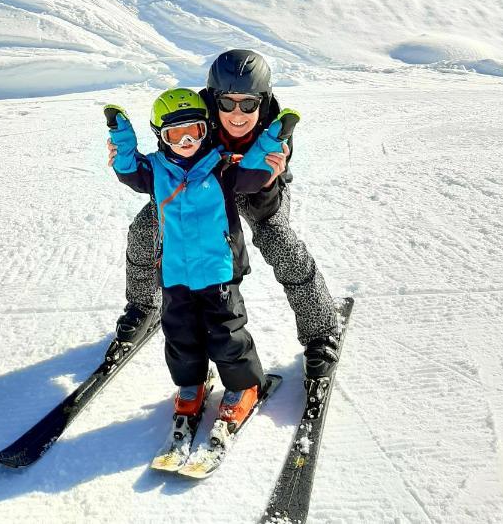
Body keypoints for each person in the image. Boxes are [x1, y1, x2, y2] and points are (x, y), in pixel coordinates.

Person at [107, 49, 340, 380]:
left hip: (259, 189)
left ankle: (321, 332)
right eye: (227, 103)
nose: (237, 113)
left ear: (263, 99)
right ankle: (144, 305)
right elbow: (170, 145)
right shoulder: (198, 112)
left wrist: (269, 174)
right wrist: (124, 155)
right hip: (203, 189)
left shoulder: (276, 125)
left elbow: (266, 179)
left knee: (280, 242)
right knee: (146, 229)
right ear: (214, 99)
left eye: (248, 104)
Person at [105, 88, 298, 424]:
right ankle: (191, 384)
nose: (185, 142)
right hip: (175, 271)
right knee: (179, 333)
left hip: (217, 268)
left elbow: (252, 173)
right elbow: (127, 169)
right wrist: (120, 137)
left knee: (226, 332)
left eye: (193, 132)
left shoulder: (221, 166)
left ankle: (245, 386)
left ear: (206, 129)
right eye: (174, 135)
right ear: (161, 137)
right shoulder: (156, 170)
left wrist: (274, 139)